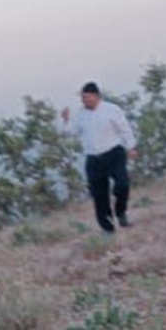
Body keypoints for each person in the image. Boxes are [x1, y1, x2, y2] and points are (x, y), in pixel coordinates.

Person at [62, 82, 139, 232]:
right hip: (93, 158)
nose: (83, 100)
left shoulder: (111, 109)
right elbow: (70, 132)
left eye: (86, 97)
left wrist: (131, 147)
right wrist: (66, 120)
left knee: (122, 185)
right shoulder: (81, 114)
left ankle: (121, 212)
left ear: (96, 96)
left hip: (113, 153)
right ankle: (107, 228)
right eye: (82, 97)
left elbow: (124, 128)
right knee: (99, 195)